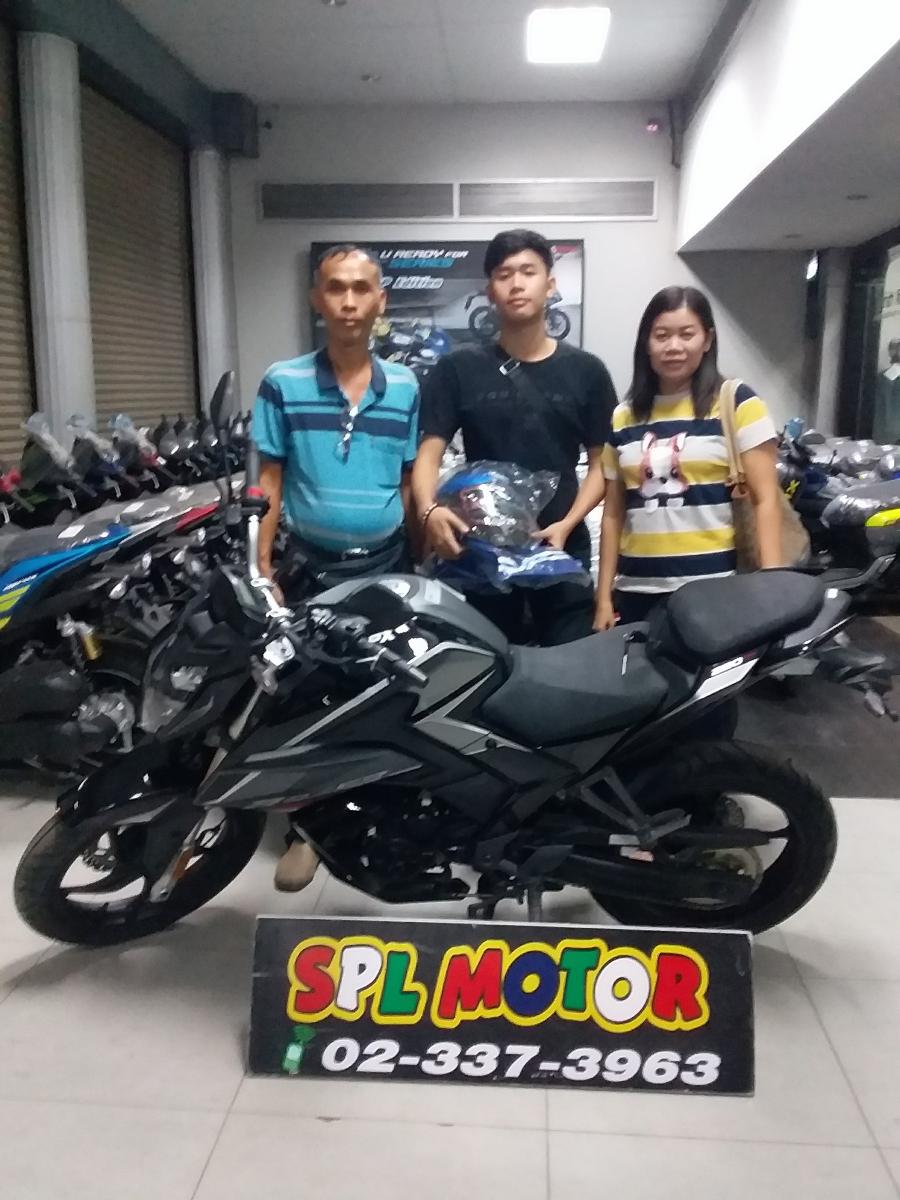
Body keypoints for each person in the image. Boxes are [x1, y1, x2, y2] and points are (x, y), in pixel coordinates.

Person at [252, 243, 419, 891]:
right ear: (316, 298)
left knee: (377, 695)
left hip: (386, 566)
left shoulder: (405, 386)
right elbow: (269, 481)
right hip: (309, 568)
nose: (349, 302)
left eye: (361, 289)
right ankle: (307, 829)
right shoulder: (283, 382)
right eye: (335, 288)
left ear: (381, 300)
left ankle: (370, 814)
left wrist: (422, 565)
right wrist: (261, 564)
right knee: (305, 698)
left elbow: (408, 482)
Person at [412, 228, 616, 645]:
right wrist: (428, 511)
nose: (517, 284)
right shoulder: (457, 369)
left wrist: (567, 523)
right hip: (480, 554)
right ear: (490, 290)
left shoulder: (587, 371)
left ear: (550, 285)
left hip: (561, 548)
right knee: (485, 668)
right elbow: (428, 455)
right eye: (504, 275)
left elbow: (603, 466)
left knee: (569, 668)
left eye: (528, 272)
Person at [595, 285, 783, 632]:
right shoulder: (624, 416)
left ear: (707, 340)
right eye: (661, 335)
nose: (673, 346)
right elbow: (613, 513)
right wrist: (604, 597)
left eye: (686, 334)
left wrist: (773, 585)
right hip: (636, 592)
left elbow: (765, 500)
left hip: (714, 591)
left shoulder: (737, 402)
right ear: (646, 343)